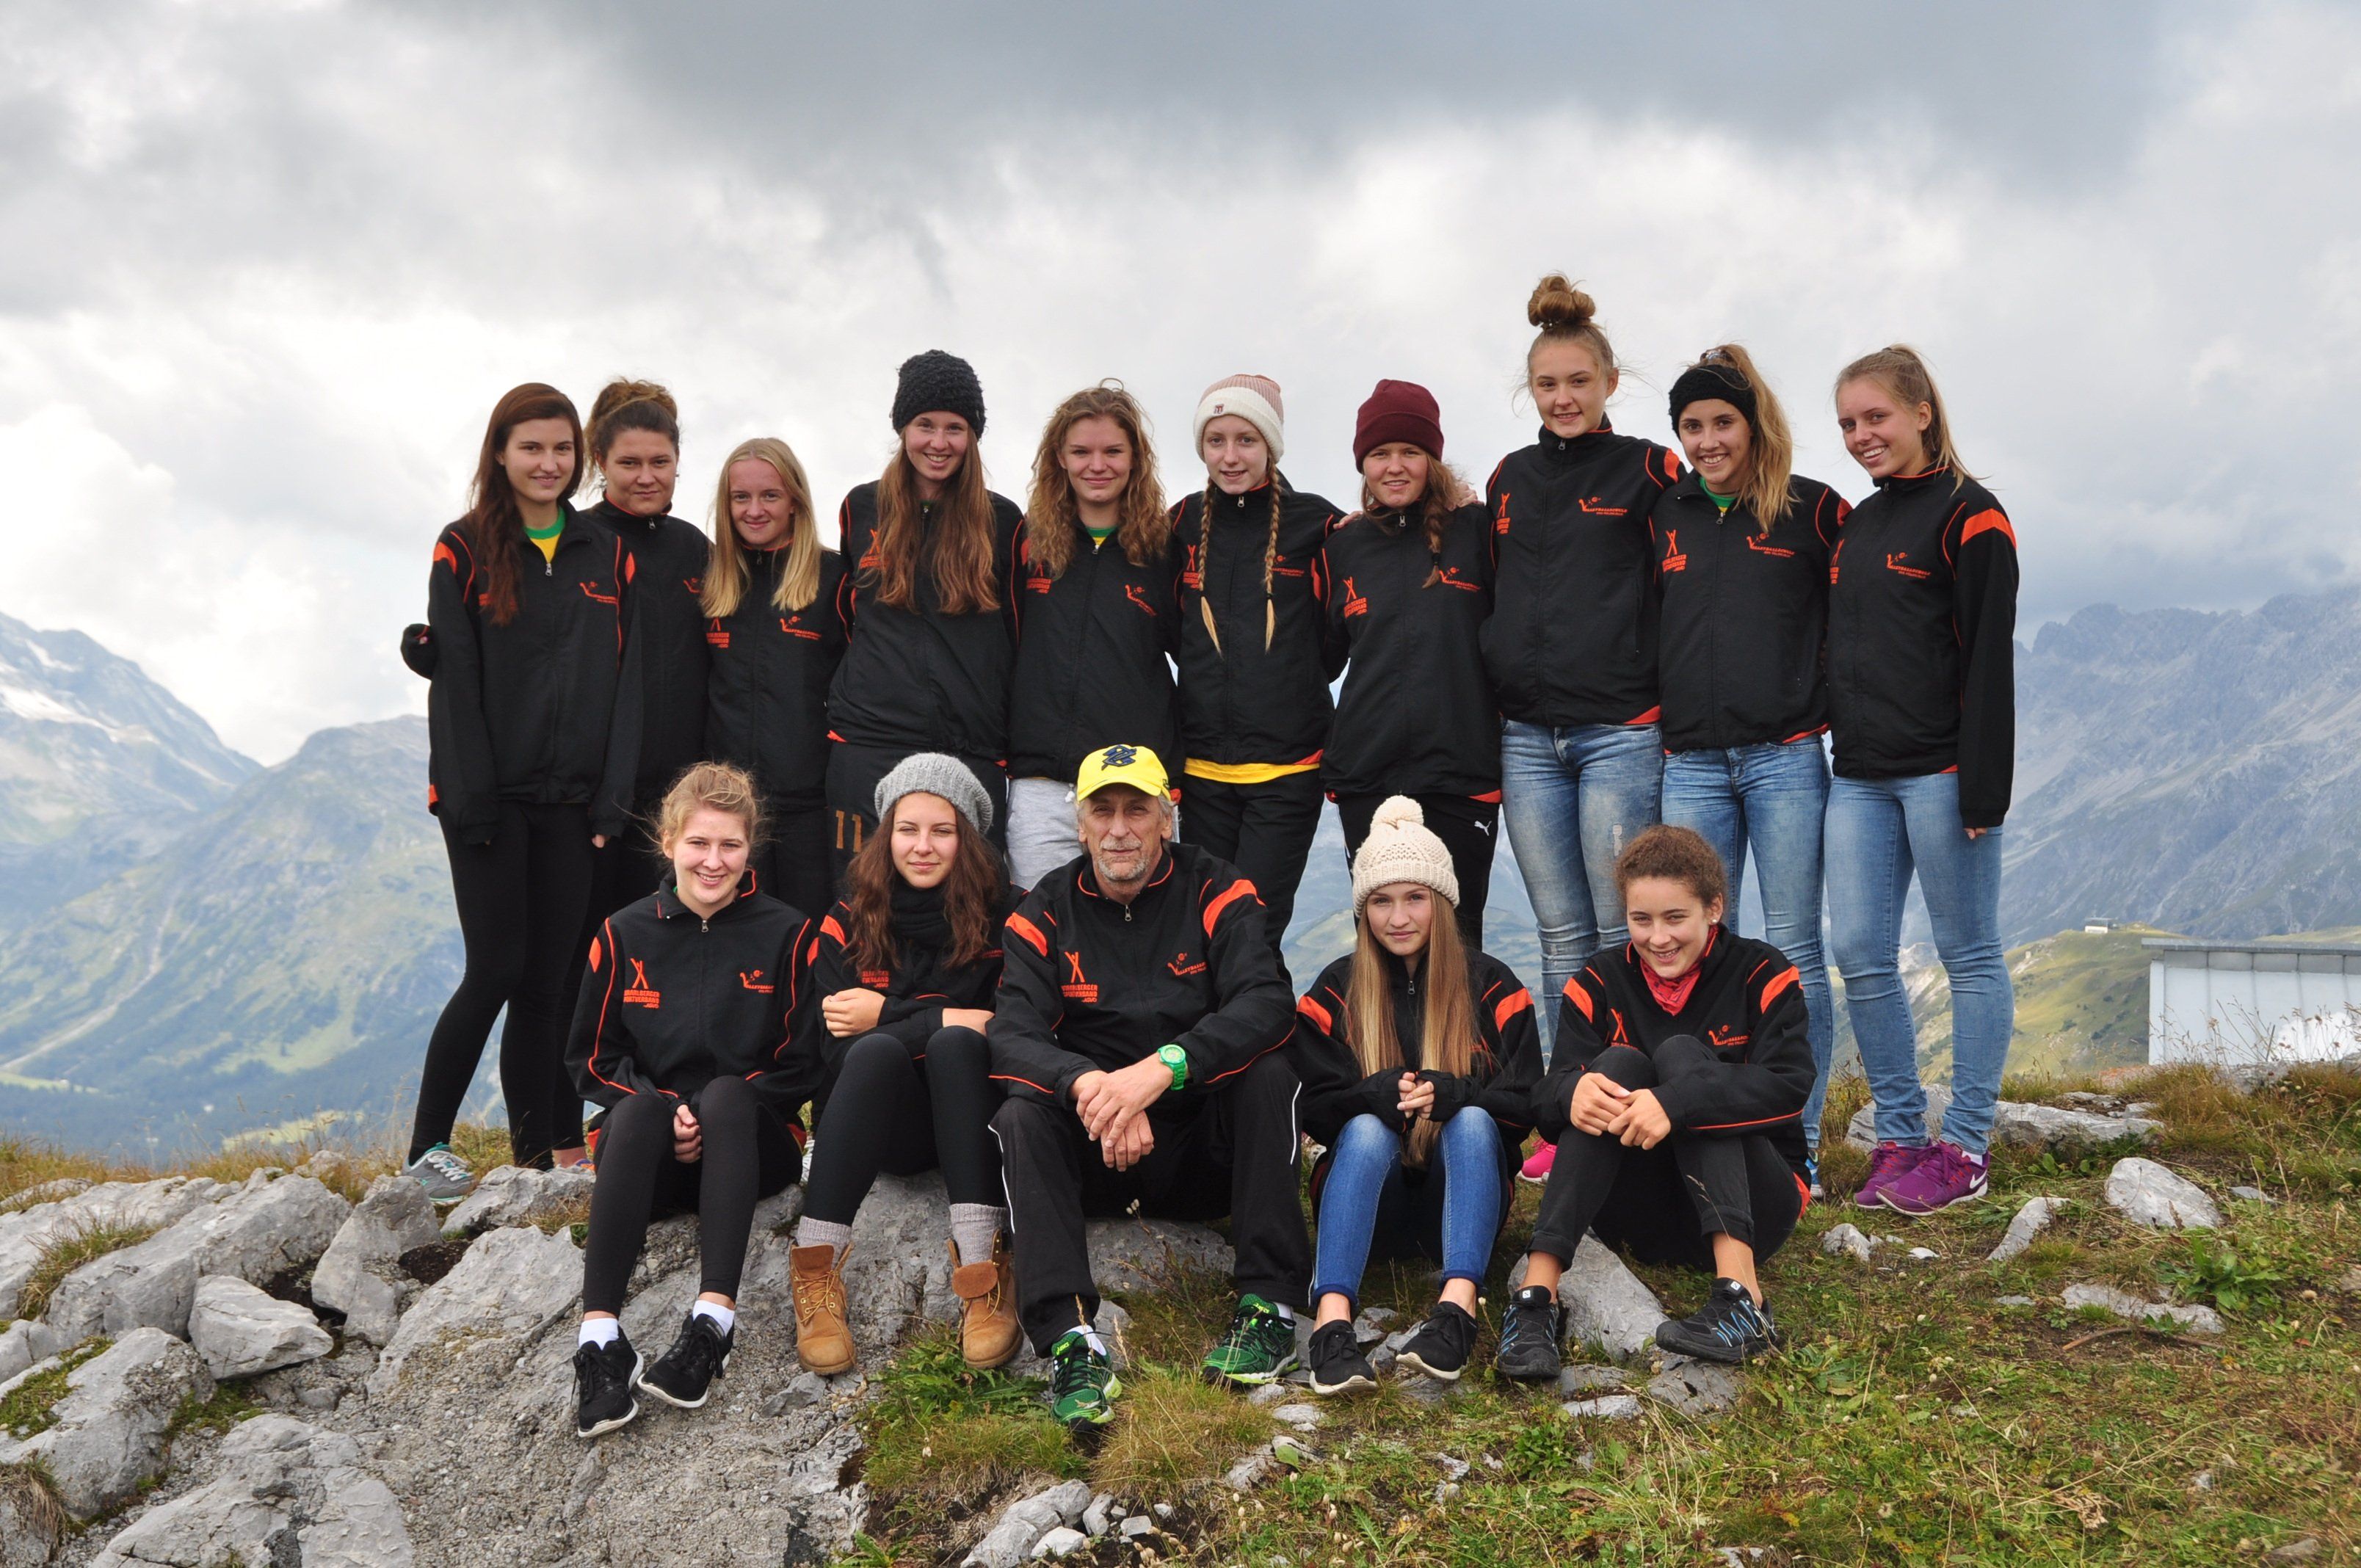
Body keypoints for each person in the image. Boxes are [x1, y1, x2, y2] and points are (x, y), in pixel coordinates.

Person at [988, 743, 1311, 1432]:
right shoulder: (1043, 911)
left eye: (1137, 810)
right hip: (1098, 1151)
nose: (1119, 829)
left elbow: (1267, 1002)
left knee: (1271, 1072)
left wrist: (1163, 1068)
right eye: (1101, 811)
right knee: (1021, 1114)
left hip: (1202, 1154)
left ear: (1167, 819)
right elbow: (1011, 1034)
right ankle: (1071, 1339)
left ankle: (1270, 1307)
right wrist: (1090, 1086)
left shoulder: (1218, 889)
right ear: (1079, 826)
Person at [411, 382, 640, 1194]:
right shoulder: (463, 546)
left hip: (573, 805)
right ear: (501, 454)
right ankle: (427, 1150)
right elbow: (456, 682)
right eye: (531, 447)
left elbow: (627, 684)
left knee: (550, 984)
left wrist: (611, 800)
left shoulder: (606, 552)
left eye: (561, 448)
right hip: (488, 801)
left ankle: (535, 1157)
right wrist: (470, 799)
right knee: (496, 970)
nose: (548, 463)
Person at [1488, 275, 1681, 1183]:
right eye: (1547, 384)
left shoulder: (1649, 471)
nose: (1563, 398)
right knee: (1559, 933)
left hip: (1620, 731)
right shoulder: (1509, 479)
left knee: (1618, 929)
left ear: (1609, 382)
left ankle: (1634, 1107)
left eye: (1578, 381)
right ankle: (1573, 1115)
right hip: (1526, 737)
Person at [1497, 826, 1812, 1383]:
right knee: (1612, 1069)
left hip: (1759, 1207)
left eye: (1675, 918)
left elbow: (1789, 1087)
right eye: (1641, 920)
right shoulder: (1598, 980)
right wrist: (1572, 1093)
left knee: (1684, 1057)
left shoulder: (1763, 973)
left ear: (1714, 909)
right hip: (1640, 1217)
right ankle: (1535, 1301)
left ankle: (1743, 1300)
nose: (1658, 937)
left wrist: (1675, 1102)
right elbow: (1543, 1099)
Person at [565, 763, 816, 1437]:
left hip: (748, 1148)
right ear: (669, 842)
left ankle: (712, 1324)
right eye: (699, 843)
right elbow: (591, 1058)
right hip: (649, 1156)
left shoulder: (789, 934)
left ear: (750, 848)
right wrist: (668, 1108)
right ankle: (600, 1342)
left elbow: (802, 1063)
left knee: (730, 1096)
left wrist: (705, 1111)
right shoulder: (622, 933)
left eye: (730, 845)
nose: (714, 861)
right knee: (639, 1110)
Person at [1825, 346, 2019, 1216]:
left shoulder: (1974, 517)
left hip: (1943, 773)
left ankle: (1966, 1147)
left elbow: (1989, 662)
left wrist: (1985, 789)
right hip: (1859, 778)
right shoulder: (1859, 524)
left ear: (1922, 413)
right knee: (1859, 953)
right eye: (1848, 424)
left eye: (1876, 417)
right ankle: (1901, 1138)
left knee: (1968, 954)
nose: (1862, 435)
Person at [1652, 346, 1849, 1190]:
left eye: (1722, 423)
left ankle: (1797, 1145)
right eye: (1691, 426)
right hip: (1690, 763)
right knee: (1693, 950)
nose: (1707, 441)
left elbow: (1860, 616)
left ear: (1754, 423)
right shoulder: (1666, 514)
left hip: (1785, 758)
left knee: (1795, 946)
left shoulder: (1814, 510)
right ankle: (1708, 1131)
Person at [1291, 799, 1539, 1393]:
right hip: (1368, 1208)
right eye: (1381, 901)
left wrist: (1464, 1095)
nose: (1398, 917)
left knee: (1473, 1121)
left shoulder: (1494, 985)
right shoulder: (1334, 990)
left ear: (1442, 902)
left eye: (1415, 898)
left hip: (1461, 1203)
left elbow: (1528, 1106)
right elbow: (1310, 1109)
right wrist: (1365, 1097)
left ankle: (1456, 1312)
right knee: (1367, 1127)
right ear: (1363, 910)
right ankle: (1331, 1326)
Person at [788, 755, 1020, 1375]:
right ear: (885, 835)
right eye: (907, 829)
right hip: (887, 1129)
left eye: (942, 831)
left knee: (954, 1047)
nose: (922, 847)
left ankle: (984, 1272)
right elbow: (837, 1048)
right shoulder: (847, 921)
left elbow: (1017, 1031)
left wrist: (891, 1012)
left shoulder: (1012, 916)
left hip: (977, 1123)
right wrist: (952, 1015)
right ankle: (815, 1269)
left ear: (968, 839)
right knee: (877, 1051)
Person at [827, 350, 1023, 882]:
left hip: (968, 747)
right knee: (862, 898)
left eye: (955, 428)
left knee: (969, 903)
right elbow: (845, 617)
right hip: (868, 743)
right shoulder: (861, 507)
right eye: (925, 425)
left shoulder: (1004, 521)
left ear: (973, 436)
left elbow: (1017, 632)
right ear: (902, 428)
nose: (939, 442)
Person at [1321, 380, 1501, 945]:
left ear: (1432, 459)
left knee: (1459, 942)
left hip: (1461, 774)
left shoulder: (1478, 531)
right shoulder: (1343, 546)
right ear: (1362, 463)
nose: (1394, 467)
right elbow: (1323, 657)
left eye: (1410, 452)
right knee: (1379, 944)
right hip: (1366, 776)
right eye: (1379, 453)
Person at [1171, 374, 1343, 960]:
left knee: (1256, 931)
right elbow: (1169, 630)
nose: (1230, 456)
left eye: (1246, 440)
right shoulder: (1179, 524)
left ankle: (1261, 1023)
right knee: (1204, 933)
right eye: (1215, 440)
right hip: (1202, 773)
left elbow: (1337, 636)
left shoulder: (1318, 525)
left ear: (1271, 445)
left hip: (1286, 773)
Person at [1006, 383, 1178, 890]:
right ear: (1059, 458)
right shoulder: (1026, 545)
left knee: (1140, 927)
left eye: (1113, 452)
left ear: (1135, 458)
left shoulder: (1166, 551)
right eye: (1081, 452)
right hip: (1043, 789)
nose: (1097, 465)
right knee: (1039, 926)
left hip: (1133, 790)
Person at [577, 379, 711, 904]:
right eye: (629, 463)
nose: (646, 477)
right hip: (592, 795)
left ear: (678, 461)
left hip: (681, 799)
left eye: (660, 462)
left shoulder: (695, 548)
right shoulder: (578, 542)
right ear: (600, 461)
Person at [703, 436, 847, 918]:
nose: (754, 510)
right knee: (736, 941)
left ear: (795, 501)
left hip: (809, 808)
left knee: (808, 939)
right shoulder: (711, 579)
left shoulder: (835, 578)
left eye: (770, 495)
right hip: (728, 810)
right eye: (740, 497)